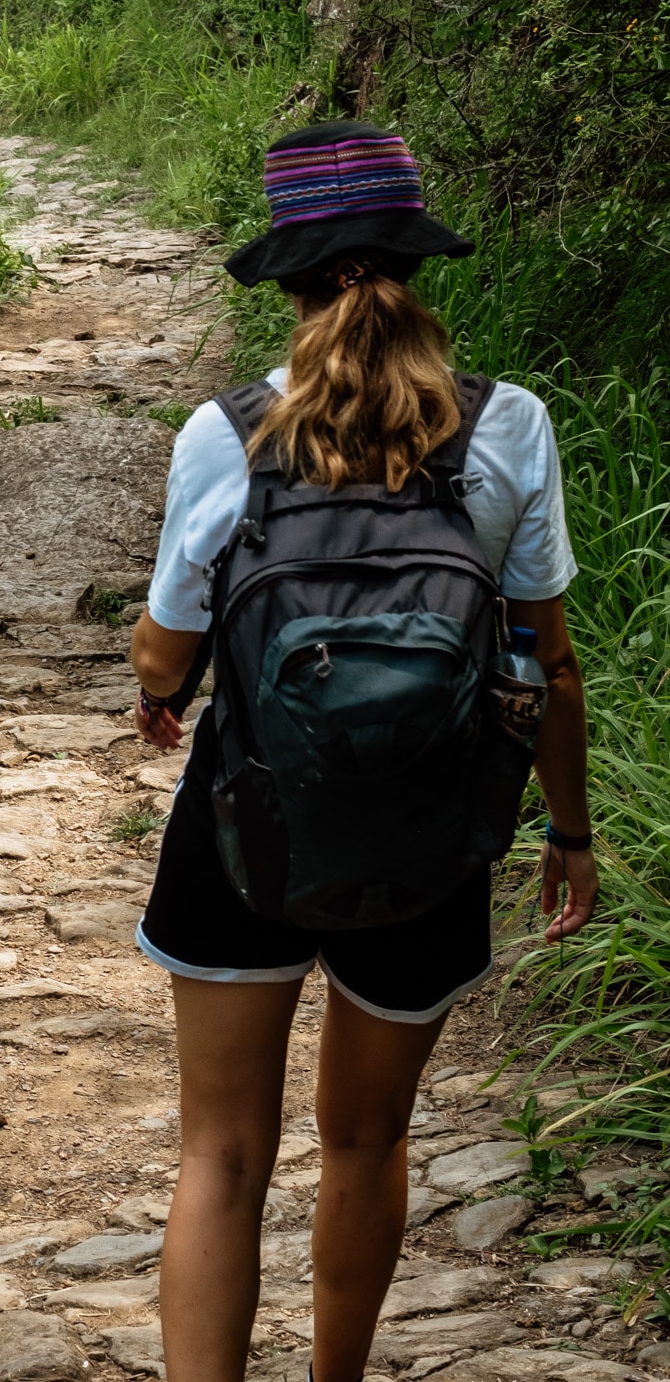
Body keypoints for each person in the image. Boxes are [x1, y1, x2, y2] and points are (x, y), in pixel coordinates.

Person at [128, 120, 598, 1382]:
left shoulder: (226, 435)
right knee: (366, 1141)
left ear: (295, 279)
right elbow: (549, 661)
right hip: (432, 837)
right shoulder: (509, 428)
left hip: (245, 824)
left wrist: (162, 686)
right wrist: (569, 829)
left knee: (221, 1150)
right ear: (413, 263)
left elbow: (165, 656)